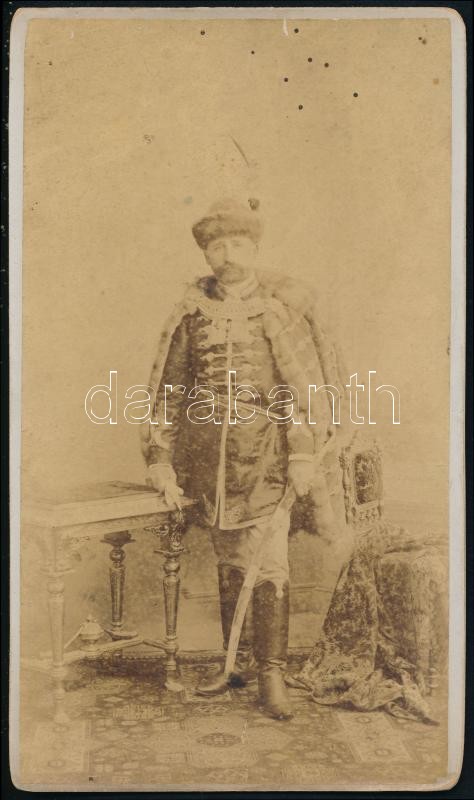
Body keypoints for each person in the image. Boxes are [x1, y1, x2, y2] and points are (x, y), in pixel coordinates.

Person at [141, 198, 345, 719]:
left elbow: (300, 391)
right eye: (217, 247)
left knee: (269, 560)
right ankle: (234, 664)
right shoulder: (190, 314)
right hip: (207, 457)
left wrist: (302, 455)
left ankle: (270, 672)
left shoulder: (277, 312)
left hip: (267, 454)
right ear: (206, 254)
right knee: (230, 557)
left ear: (254, 248)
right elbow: (169, 391)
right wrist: (160, 459)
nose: (228, 255)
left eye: (237, 244)